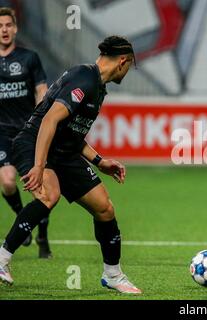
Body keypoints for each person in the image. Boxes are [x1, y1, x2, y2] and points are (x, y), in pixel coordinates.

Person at [0, 35, 141, 294]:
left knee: (104, 208)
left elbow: (72, 134)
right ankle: (2, 259)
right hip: (35, 142)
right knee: (48, 195)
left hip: (63, 152)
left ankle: (113, 275)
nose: (128, 70)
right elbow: (49, 121)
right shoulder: (84, 77)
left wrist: (100, 161)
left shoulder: (97, 86)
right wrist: (40, 166)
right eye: (129, 64)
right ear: (122, 61)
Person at [0, 7, 51, 255]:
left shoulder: (29, 57)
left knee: (40, 189)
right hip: (2, 133)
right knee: (8, 182)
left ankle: (43, 238)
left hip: (27, 133)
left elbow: (42, 88)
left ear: (15, 28)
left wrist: (41, 114)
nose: (4, 30)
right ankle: (23, 219)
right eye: (0, 26)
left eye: (8, 25)